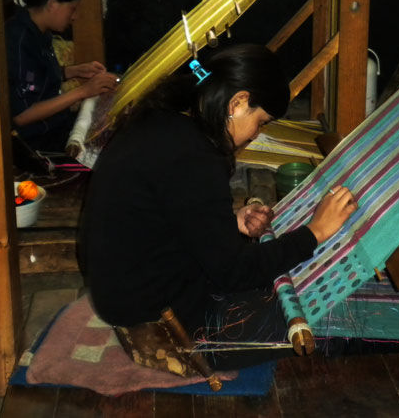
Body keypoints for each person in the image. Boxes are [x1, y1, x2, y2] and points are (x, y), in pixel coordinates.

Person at [80, 44, 358, 371]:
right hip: (164, 328)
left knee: (284, 285)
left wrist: (227, 222)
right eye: (261, 122)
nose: (257, 134)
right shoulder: (194, 156)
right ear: (238, 102)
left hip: (121, 295)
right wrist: (315, 232)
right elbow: (234, 273)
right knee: (338, 326)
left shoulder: (164, 119)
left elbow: (164, 212)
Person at [6, 0, 118, 153]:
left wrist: (73, 71)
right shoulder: (19, 40)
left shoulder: (39, 32)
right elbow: (22, 115)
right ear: (51, 4)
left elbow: (34, 77)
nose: (75, 17)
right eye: (72, 9)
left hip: (55, 129)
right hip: (36, 145)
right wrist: (83, 91)